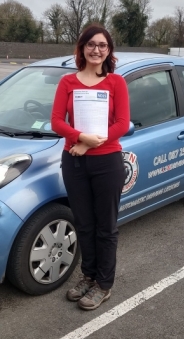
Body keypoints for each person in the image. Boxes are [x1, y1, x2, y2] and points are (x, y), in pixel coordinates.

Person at [51, 24, 130, 311]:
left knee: (105, 227)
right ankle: (88, 276)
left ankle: (104, 285)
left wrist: (88, 144)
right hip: (74, 161)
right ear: (82, 48)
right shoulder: (68, 83)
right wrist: (80, 139)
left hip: (107, 162)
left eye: (103, 45)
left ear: (109, 51)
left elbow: (122, 123)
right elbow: (57, 121)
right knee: (84, 224)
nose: (97, 50)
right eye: (91, 44)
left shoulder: (116, 83)